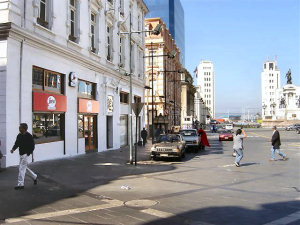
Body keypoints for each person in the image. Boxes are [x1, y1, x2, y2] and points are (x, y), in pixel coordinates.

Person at [10, 123, 37, 190]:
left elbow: (32, 146)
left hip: (25, 154)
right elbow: (17, 143)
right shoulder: (19, 135)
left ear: (24, 129)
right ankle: (34, 177)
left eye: (20, 127)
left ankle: (20, 184)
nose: (19, 129)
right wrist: (13, 149)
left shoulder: (29, 136)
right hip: (21, 154)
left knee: (21, 168)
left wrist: (28, 153)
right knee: (24, 168)